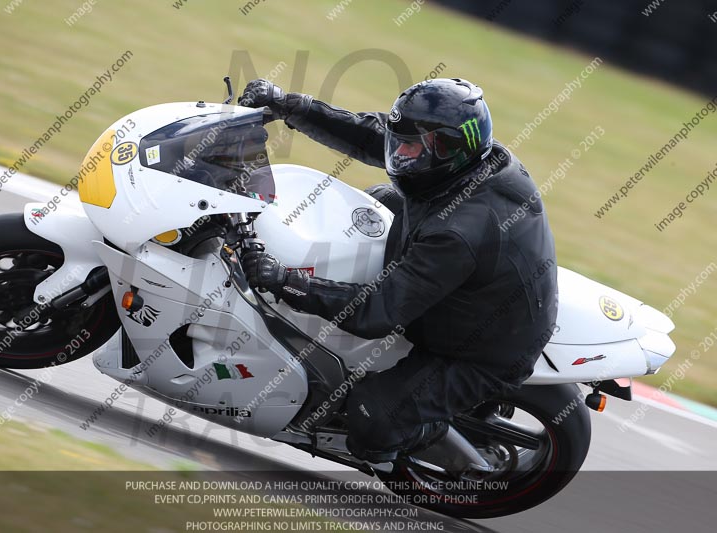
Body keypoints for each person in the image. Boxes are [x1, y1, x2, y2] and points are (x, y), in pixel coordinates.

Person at [237, 77, 558, 462]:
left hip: (478, 351)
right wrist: (293, 106)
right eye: (401, 141)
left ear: (449, 150)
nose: (401, 154)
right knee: (378, 202)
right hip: (472, 287)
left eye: (412, 146)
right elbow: (375, 136)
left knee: (372, 418)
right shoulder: (471, 162)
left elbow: (378, 314)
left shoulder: (460, 232)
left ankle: (435, 440)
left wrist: (285, 281)